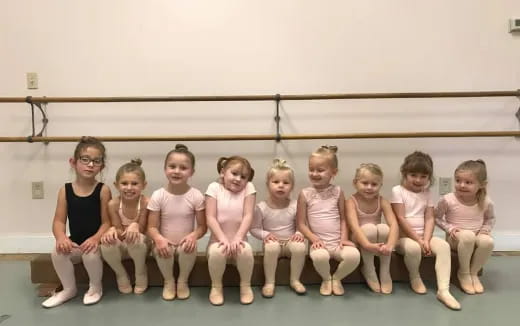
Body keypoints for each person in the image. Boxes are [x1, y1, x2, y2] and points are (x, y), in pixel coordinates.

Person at [42, 136, 111, 308]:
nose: (90, 165)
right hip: (76, 241)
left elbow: (107, 223)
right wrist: (62, 238)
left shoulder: (103, 190)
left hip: (97, 243)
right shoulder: (65, 191)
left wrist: (95, 239)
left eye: (96, 161)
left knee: (90, 254)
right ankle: (69, 289)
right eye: (85, 159)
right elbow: (58, 221)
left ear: (101, 166)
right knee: (57, 253)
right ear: (73, 162)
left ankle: (95, 287)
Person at [391, 151, 460, 310]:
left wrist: (427, 239)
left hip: (424, 236)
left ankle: (444, 290)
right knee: (414, 248)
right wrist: (419, 240)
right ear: (404, 173)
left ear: (429, 177)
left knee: (443, 247)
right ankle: (415, 276)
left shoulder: (427, 193)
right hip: (403, 238)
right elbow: (401, 218)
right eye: (413, 175)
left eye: (423, 176)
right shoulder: (397, 191)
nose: (418, 180)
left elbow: (430, 218)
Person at [297, 145, 360, 296]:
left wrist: (344, 239)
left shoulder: (338, 191)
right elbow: (300, 223)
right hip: (319, 243)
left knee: (354, 256)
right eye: (311, 169)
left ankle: (336, 278)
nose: (314, 173)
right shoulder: (305, 194)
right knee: (320, 257)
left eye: (320, 170)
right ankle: (326, 278)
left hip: (338, 242)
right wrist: (314, 239)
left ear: (334, 172)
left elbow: (344, 219)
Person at [147, 144, 206, 300]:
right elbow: (151, 227)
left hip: (185, 243)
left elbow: (202, 227)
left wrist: (193, 236)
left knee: (187, 248)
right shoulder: (158, 195)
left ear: (191, 172)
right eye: (172, 166)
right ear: (165, 168)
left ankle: (182, 281)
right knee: (163, 250)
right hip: (164, 242)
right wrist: (159, 239)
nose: (177, 171)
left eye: (183, 168)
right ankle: (168, 281)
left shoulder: (196, 196)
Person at [435, 159, 495, 294]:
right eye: (458, 180)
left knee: (488, 242)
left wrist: (485, 230)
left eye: (468, 182)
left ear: (482, 185)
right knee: (467, 236)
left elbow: (490, 219)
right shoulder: (448, 199)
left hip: (476, 236)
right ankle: (463, 272)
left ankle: (473, 273)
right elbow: (436, 218)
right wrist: (449, 228)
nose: (462, 185)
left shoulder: (486, 201)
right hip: (456, 239)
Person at [250, 159, 306, 298]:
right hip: (272, 242)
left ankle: (295, 280)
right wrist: (265, 235)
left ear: (292, 186)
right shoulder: (261, 207)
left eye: (286, 183)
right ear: (268, 185)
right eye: (276, 182)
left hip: (289, 242)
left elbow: (302, 224)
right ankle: (269, 282)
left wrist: (299, 233)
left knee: (300, 247)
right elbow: (254, 228)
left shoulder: (295, 205)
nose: (281, 186)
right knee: (271, 247)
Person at [205, 156, 256, 305]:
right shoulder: (214, 188)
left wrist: (238, 237)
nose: (238, 179)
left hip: (238, 240)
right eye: (234, 173)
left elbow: (248, 215)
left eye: (243, 176)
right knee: (217, 251)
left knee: (245, 250)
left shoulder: (249, 188)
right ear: (222, 172)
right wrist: (222, 238)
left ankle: (246, 286)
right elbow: (210, 217)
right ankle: (216, 286)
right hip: (218, 241)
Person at [345, 163, 399, 294]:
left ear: (380, 185)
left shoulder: (383, 201)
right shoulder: (351, 201)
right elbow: (355, 227)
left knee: (384, 228)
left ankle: (385, 271)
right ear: (355, 183)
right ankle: (369, 269)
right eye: (365, 183)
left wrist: (390, 245)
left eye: (374, 184)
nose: (369, 187)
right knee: (369, 228)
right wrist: (367, 245)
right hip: (359, 239)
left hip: (377, 240)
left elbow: (394, 224)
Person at [100, 159, 149, 294]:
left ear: (143, 185)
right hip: (124, 242)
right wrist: (113, 231)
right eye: (124, 183)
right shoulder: (113, 204)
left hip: (141, 244)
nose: (129, 188)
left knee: (136, 238)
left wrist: (135, 225)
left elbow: (144, 228)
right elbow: (118, 228)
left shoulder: (146, 202)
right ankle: (121, 274)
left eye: (134, 184)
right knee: (106, 243)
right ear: (116, 185)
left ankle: (140, 273)